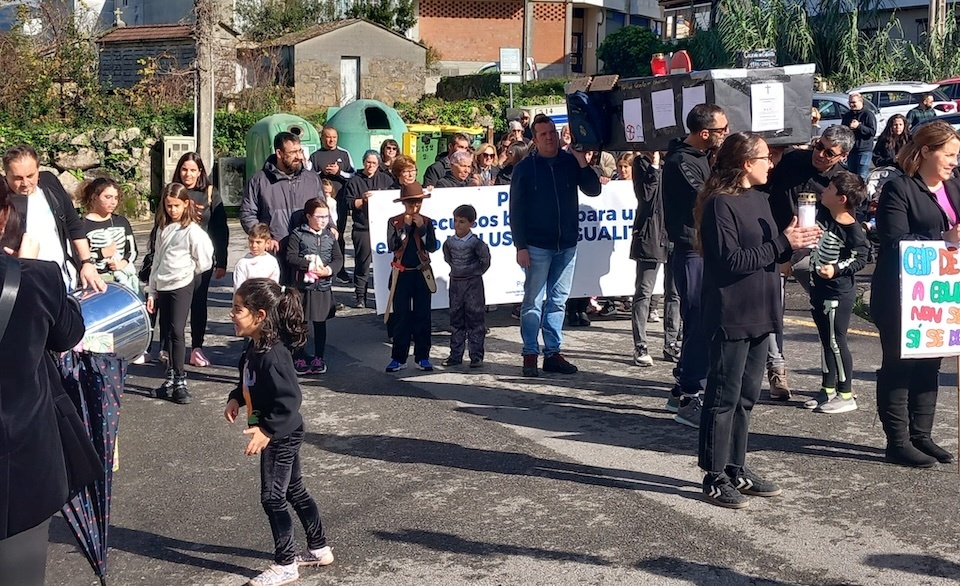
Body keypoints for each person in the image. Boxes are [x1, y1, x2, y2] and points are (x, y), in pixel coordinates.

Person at [695, 132, 821, 509]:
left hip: (761, 309)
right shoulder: (720, 204)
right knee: (723, 397)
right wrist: (783, 242)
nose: (772, 164)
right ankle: (714, 474)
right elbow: (731, 260)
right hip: (731, 312)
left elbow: (772, 254)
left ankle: (736, 467)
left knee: (747, 397)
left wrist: (796, 243)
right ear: (746, 163)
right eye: (766, 158)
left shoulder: (761, 199)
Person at [0, 188, 97, 585]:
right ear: (4, 217)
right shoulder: (36, 278)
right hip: (21, 459)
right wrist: (25, 267)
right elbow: (69, 334)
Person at [225, 278, 334, 586]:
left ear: (260, 316)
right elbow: (248, 380)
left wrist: (266, 430)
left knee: (272, 498)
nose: (231, 314)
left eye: (238, 309)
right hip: (281, 430)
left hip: (282, 434)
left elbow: (290, 400)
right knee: (293, 490)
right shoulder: (255, 346)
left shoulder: (273, 355)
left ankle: (286, 563)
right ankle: (319, 548)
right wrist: (235, 397)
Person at [872, 120, 960, 467]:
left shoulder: (954, 184)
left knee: (930, 364)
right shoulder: (899, 188)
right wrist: (944, 239)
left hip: (939, 295)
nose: (954, 162)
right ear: (925, 151)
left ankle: (922, 435)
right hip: (901, 295)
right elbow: (894, 241)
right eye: (948, 155)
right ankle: (897, 442)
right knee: (899, 366)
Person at [764, 124, 856, 401]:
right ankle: (776, 370)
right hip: (777, 245)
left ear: (842, 156)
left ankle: (835, 385)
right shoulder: (794, 159)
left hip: (813, 254)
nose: (820, 154)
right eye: (819, 146)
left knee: (827, 320)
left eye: (829, 152)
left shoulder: (842, 181)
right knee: (771, 312)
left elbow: (847, 224)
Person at [510, 113, 601, 377]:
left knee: (558, 302)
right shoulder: (524, 168)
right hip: (536, 245)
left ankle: (552, 353)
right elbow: (516, 210)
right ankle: (530, 353)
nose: (549, 137)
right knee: (532, 302)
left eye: (552, 132)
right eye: (543, 134)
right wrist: (521, 246)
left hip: (567, 245)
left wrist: (581, 161)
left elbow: (593, 189)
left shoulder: (569, 162)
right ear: (535, 139)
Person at [661, 104, 729, 427]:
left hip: (700, 249)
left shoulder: (700, 156)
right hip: (691, 250)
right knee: (699, 319)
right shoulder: (681, 162)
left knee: (698, 320)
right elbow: (707, 197)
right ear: (704, 133)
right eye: (722, 130)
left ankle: (680, 389)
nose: (725, 134)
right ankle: (690, 395)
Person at [804, 171, 869, 414]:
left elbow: (861, 256)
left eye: (830, 188)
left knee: (836, 341)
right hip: (819, 289)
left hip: (837, 294)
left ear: (841, 199)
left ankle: (846, 394)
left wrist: (837, 268)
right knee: (825, 340)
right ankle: (827, 389)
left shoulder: (852, 229)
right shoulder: (824, 216)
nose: (825, 191)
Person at [3, 144, 106, 293]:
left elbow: (73, 223)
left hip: (66, 278)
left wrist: (87, 262)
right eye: (17, 178)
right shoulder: (3, 201)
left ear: (38, 169)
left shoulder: (49, 183)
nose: (25, 183)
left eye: (30, 176)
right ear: (6, 174)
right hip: (30, 287)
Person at [146, 183, 214, 405]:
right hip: (163, 285)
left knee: (177, 331)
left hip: (181, 284)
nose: (172, 210)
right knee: (166, 333)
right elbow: (156, 260)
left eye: (176, 205)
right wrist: (152, 291)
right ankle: (170, 378)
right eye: (168, 206)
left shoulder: (192, 230)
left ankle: (180, 380)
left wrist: (188, 272)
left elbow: (205, 259)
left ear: (186, 204)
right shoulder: (163, 229)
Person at [241, 132, 332, 284]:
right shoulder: (259, 180)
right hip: (275, 251)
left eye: (300, 151)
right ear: (279, 153)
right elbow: (248, 213)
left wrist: (331, 227)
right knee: (276, 294)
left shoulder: (312, 179)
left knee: (304, 296)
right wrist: (265, 238)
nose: (299, 156)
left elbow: (322, 208)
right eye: (293, 152)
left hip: (306, 251)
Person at [173, 152, 229, 368]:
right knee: (174, 302)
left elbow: (220, 228)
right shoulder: (172, 191)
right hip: (175, 258)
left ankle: (197, 347)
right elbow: (160, 226)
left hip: (201, 259)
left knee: (198, 301)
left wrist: (222, 260)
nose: (188, 174)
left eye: (192, 170)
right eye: (184, 169)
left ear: (200, 172)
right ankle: (170, 347)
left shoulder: (210, 193)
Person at [385, 182, 438, 372]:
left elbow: (432, 246)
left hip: (421, 273)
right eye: (410, 204)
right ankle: (398, 358)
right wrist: (405, 229)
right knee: (401, 317)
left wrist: (422, 229)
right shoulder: (394, 221)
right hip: (401, 273)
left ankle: (422, 357)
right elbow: (392, 245)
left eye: (418, 203)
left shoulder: (427, 221)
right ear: (404, 204)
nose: (414, 208)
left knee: (423, 316)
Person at [287, 198, 343, 376]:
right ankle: (299, 357)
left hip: (323, 286)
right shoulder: (298, 234)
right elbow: (290, 256)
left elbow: (338, 259)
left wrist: (328, 270)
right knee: (300, 323)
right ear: (309, 216)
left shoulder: (329, 236)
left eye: (326, 216)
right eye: (319, 216)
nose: (323, 220)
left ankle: (319, 357)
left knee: (320, 323)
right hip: (302, 287)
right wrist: (308, 265)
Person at [629, 151, 669, 367]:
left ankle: (672, 342)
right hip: (651, 235)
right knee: (644, 291)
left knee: (675, 293)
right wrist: (654, 167)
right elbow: (646, 196)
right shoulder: (641, 164)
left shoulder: (675, 160)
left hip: (673, 233)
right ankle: (640, 344)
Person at [442, 204, 491, 368]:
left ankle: (476, 356)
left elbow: (485, 261)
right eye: (455, 220)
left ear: (472, 223)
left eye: (462, 221)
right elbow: (448, 259)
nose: (457, 224)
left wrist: (473, 273)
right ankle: (455, 355)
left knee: (475, 319)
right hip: (456, 283)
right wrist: (458, 271)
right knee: (456, 319)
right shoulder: (449, 243)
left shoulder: (477, 243)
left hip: (473, 284)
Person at [344, 150, 394, 308]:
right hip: (362, 228)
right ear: (363, 162)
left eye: (374, 163)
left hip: (382, 228)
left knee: (386, 263)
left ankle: (386, 295)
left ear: (378, 164)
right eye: (368, 162)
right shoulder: (354, 181)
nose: (370, 165)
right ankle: (360, 296)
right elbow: (348, 203)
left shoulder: (386, 179)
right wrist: (362, 200)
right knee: (363, 264)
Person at [309, 126, 354, 283]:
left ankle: (340, 270)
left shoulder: (344, 154)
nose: (331, 140)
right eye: (328, 137)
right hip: (320, 204)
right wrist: (322, 173)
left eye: (334, 137)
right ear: (323, 138)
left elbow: (353, 174)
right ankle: (319, 267)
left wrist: (339, 172)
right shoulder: (315, 156)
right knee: (319, 235)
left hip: (339, 203)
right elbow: (309, 177)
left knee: (338, 235)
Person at [79, 177, 138, 292]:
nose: (113, 202)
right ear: (94, 197)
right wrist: (100, 253)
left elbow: (132, 251)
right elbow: (77, 256)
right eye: (108, 197)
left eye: (116, 198)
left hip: (123, 280)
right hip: (96, 281)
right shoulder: (82, 225)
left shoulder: (121, 222)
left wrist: (122, 263)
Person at [234, 222, 281, 290]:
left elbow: (274, 286)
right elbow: (239, 288)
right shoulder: (243, 263)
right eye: (251, 241)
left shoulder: (272, 262)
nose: (254, 245)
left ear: (267, 243)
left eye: (258, 242)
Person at [841, 92, 877, 179]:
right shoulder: (847, 115)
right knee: (851, 177)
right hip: (851, 150)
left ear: (861, 101)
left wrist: (859, 126)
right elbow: (843, 131)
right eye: (850, 103)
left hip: (864, 150)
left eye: (854, 102)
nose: (851, 105)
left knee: (862, 177)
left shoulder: (868, 114)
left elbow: (872, 132)